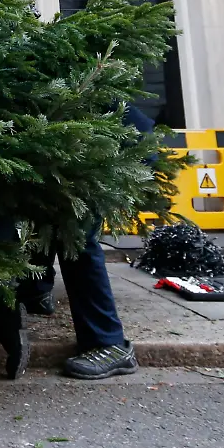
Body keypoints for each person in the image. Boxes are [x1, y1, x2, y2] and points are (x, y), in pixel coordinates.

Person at [17, 103, 158, 380]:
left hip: (97, 168)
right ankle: (36, 292)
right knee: (39, 221)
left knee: (77, 241)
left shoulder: (83, 84)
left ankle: (109, 344)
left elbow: (140, 138)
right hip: (64, 164)